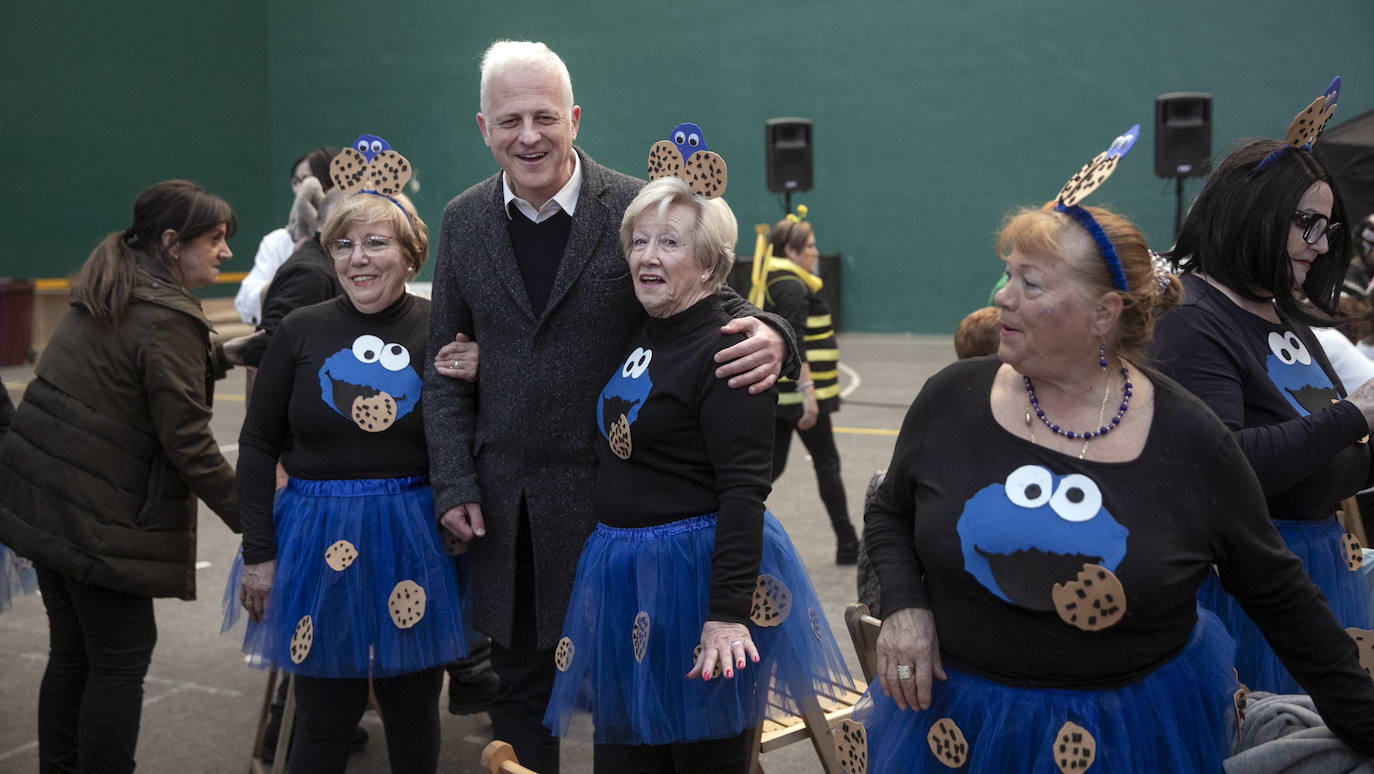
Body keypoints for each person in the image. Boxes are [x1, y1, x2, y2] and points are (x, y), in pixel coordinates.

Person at [857, 134, 1374, 771]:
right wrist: (905, 605)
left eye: (1031, 282)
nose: (1002, 298)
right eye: (1008, 274)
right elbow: (889, 512)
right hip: (963, 727)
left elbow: (1277, 593)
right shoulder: (951, 398)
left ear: (1103, 313)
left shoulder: (1189, 438)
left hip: (1128, 735)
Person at [422, 41, 796, 773]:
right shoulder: (462, 221)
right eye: (509, 121)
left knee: (637, 707)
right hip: (511, 515)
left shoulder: (633, 207)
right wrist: (454, 483)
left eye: (543, 116)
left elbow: (715, 299)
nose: (527, 136)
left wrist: (777, 334)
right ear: (482, 128)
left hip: (619, 516)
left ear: (574, 117)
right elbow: (443, 370)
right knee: (523, 695)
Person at [542, 175, 850, 773]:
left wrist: (727, 615)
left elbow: (744, 492)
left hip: (697, 582)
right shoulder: (642, 330)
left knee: (701, 759)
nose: (648, 256)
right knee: (625, 758)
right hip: (628, 576)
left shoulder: (733, 348)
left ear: (710, 267)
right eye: (640, 240)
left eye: (670, 243)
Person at [229, 161, 469, 773]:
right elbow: (257, 443)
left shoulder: (440, 329)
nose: (357, 258)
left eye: (375, 243)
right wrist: (259, 553)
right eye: (343, 244)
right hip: (316, 538)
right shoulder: (301, 331)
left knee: (414, 714)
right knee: (323, 716)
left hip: (414, 540)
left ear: (410, 254)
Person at [0, 179, 245, 773]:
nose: (226, 251)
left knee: (75, 654)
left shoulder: (111, 288)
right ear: (169, 242)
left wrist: (223, 354)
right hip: (99, 517)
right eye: (214, 239)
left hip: (47, 503)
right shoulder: (167, 319)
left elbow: (125, 369)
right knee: (118, 661)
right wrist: (254, 518)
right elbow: (187, 443)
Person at [1151, 136, 1374, 694]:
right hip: (1250, 593)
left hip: (1317, 573)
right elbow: (1228, 468)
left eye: (1328, 229)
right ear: (1253, 213)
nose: (1321, 246)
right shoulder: (1192, 320)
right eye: (1307, 224)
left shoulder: (1281, 315)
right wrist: (1357, 413)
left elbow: (1325, 461)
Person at [755, 209, 860, 564]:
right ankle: (848, 544)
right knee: (826, 464)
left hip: (786, 397)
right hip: (796, 397)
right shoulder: (791, 286)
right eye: (810, 246)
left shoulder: (783, 280)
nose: (815, 251)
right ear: (791, 249)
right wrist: (808, 396)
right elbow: (793, 341)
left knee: (773, 468)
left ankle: (727, 520)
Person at [235, 147, 339, 325]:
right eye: (297, 182)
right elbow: (245, 303)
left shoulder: (353, 239)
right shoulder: (279, 240)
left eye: (308, 181)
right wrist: (294, 271)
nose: (299, 190)